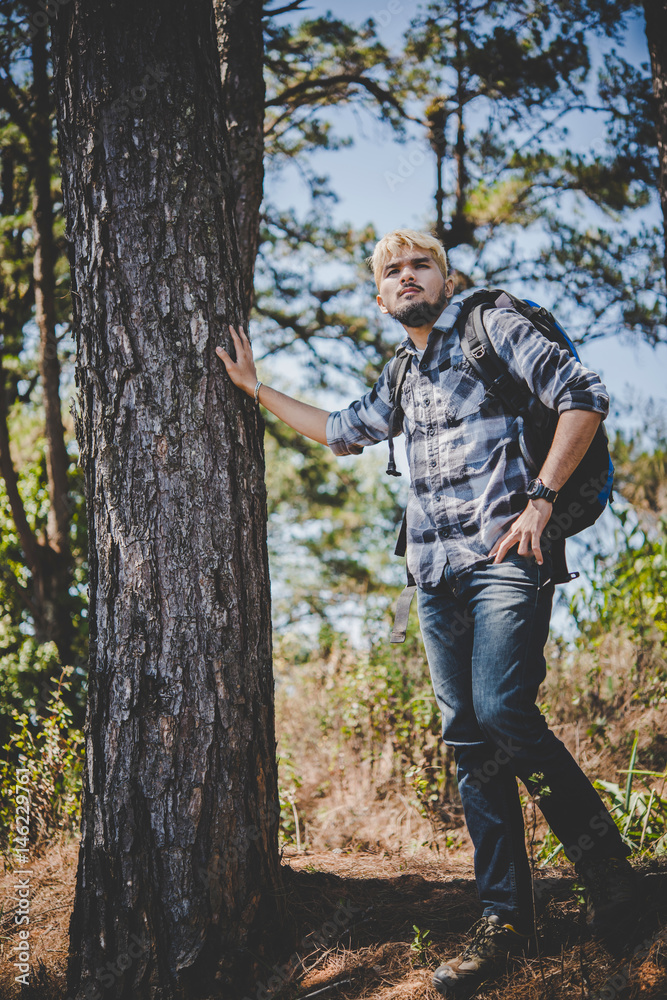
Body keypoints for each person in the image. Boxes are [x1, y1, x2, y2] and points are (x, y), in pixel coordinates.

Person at [216, 229, 637, 999]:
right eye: (391, 271)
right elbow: (341, 430)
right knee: (469, 742)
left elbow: (583, 395)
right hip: (436, 577)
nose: (406, 276)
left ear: (445, 276)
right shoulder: (402, 373)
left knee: (503, 709)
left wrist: (539, 503)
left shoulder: (490, 325)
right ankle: (504, 921)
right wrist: (255, 390)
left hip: (508, 556)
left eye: (420, 264)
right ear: (380, 296)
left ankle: (610, 872)